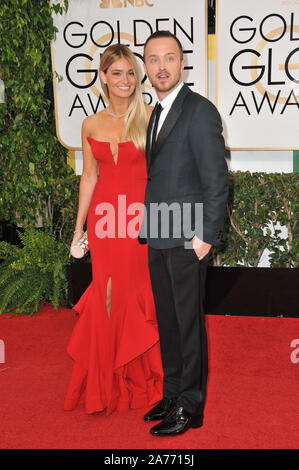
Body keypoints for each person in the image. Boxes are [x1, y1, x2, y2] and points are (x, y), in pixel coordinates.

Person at [64, 44, 163, 416]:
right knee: (106, 296)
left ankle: (144, 377)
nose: (125, 80)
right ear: (103, 77)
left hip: (139, 221)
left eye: (131, 73)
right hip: (104, 222)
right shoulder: (90, 124)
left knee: (137, 293)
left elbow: (164, 174)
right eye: (117, 73)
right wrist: (79, 230)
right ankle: (107, 379)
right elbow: (89, 177)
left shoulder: (150, 116)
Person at [139, 31, 228, 436]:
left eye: (169, 58)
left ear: (182, 63)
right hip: (158, 233)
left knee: (189, 324)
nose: (161, 67)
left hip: (188, 237)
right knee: (168, 322)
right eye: (153, 60)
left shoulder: (200, 111)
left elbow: (216, 180)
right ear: (146, 67)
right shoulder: (155, 111)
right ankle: (172, 392)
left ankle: (191, 407)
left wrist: (205, 237)